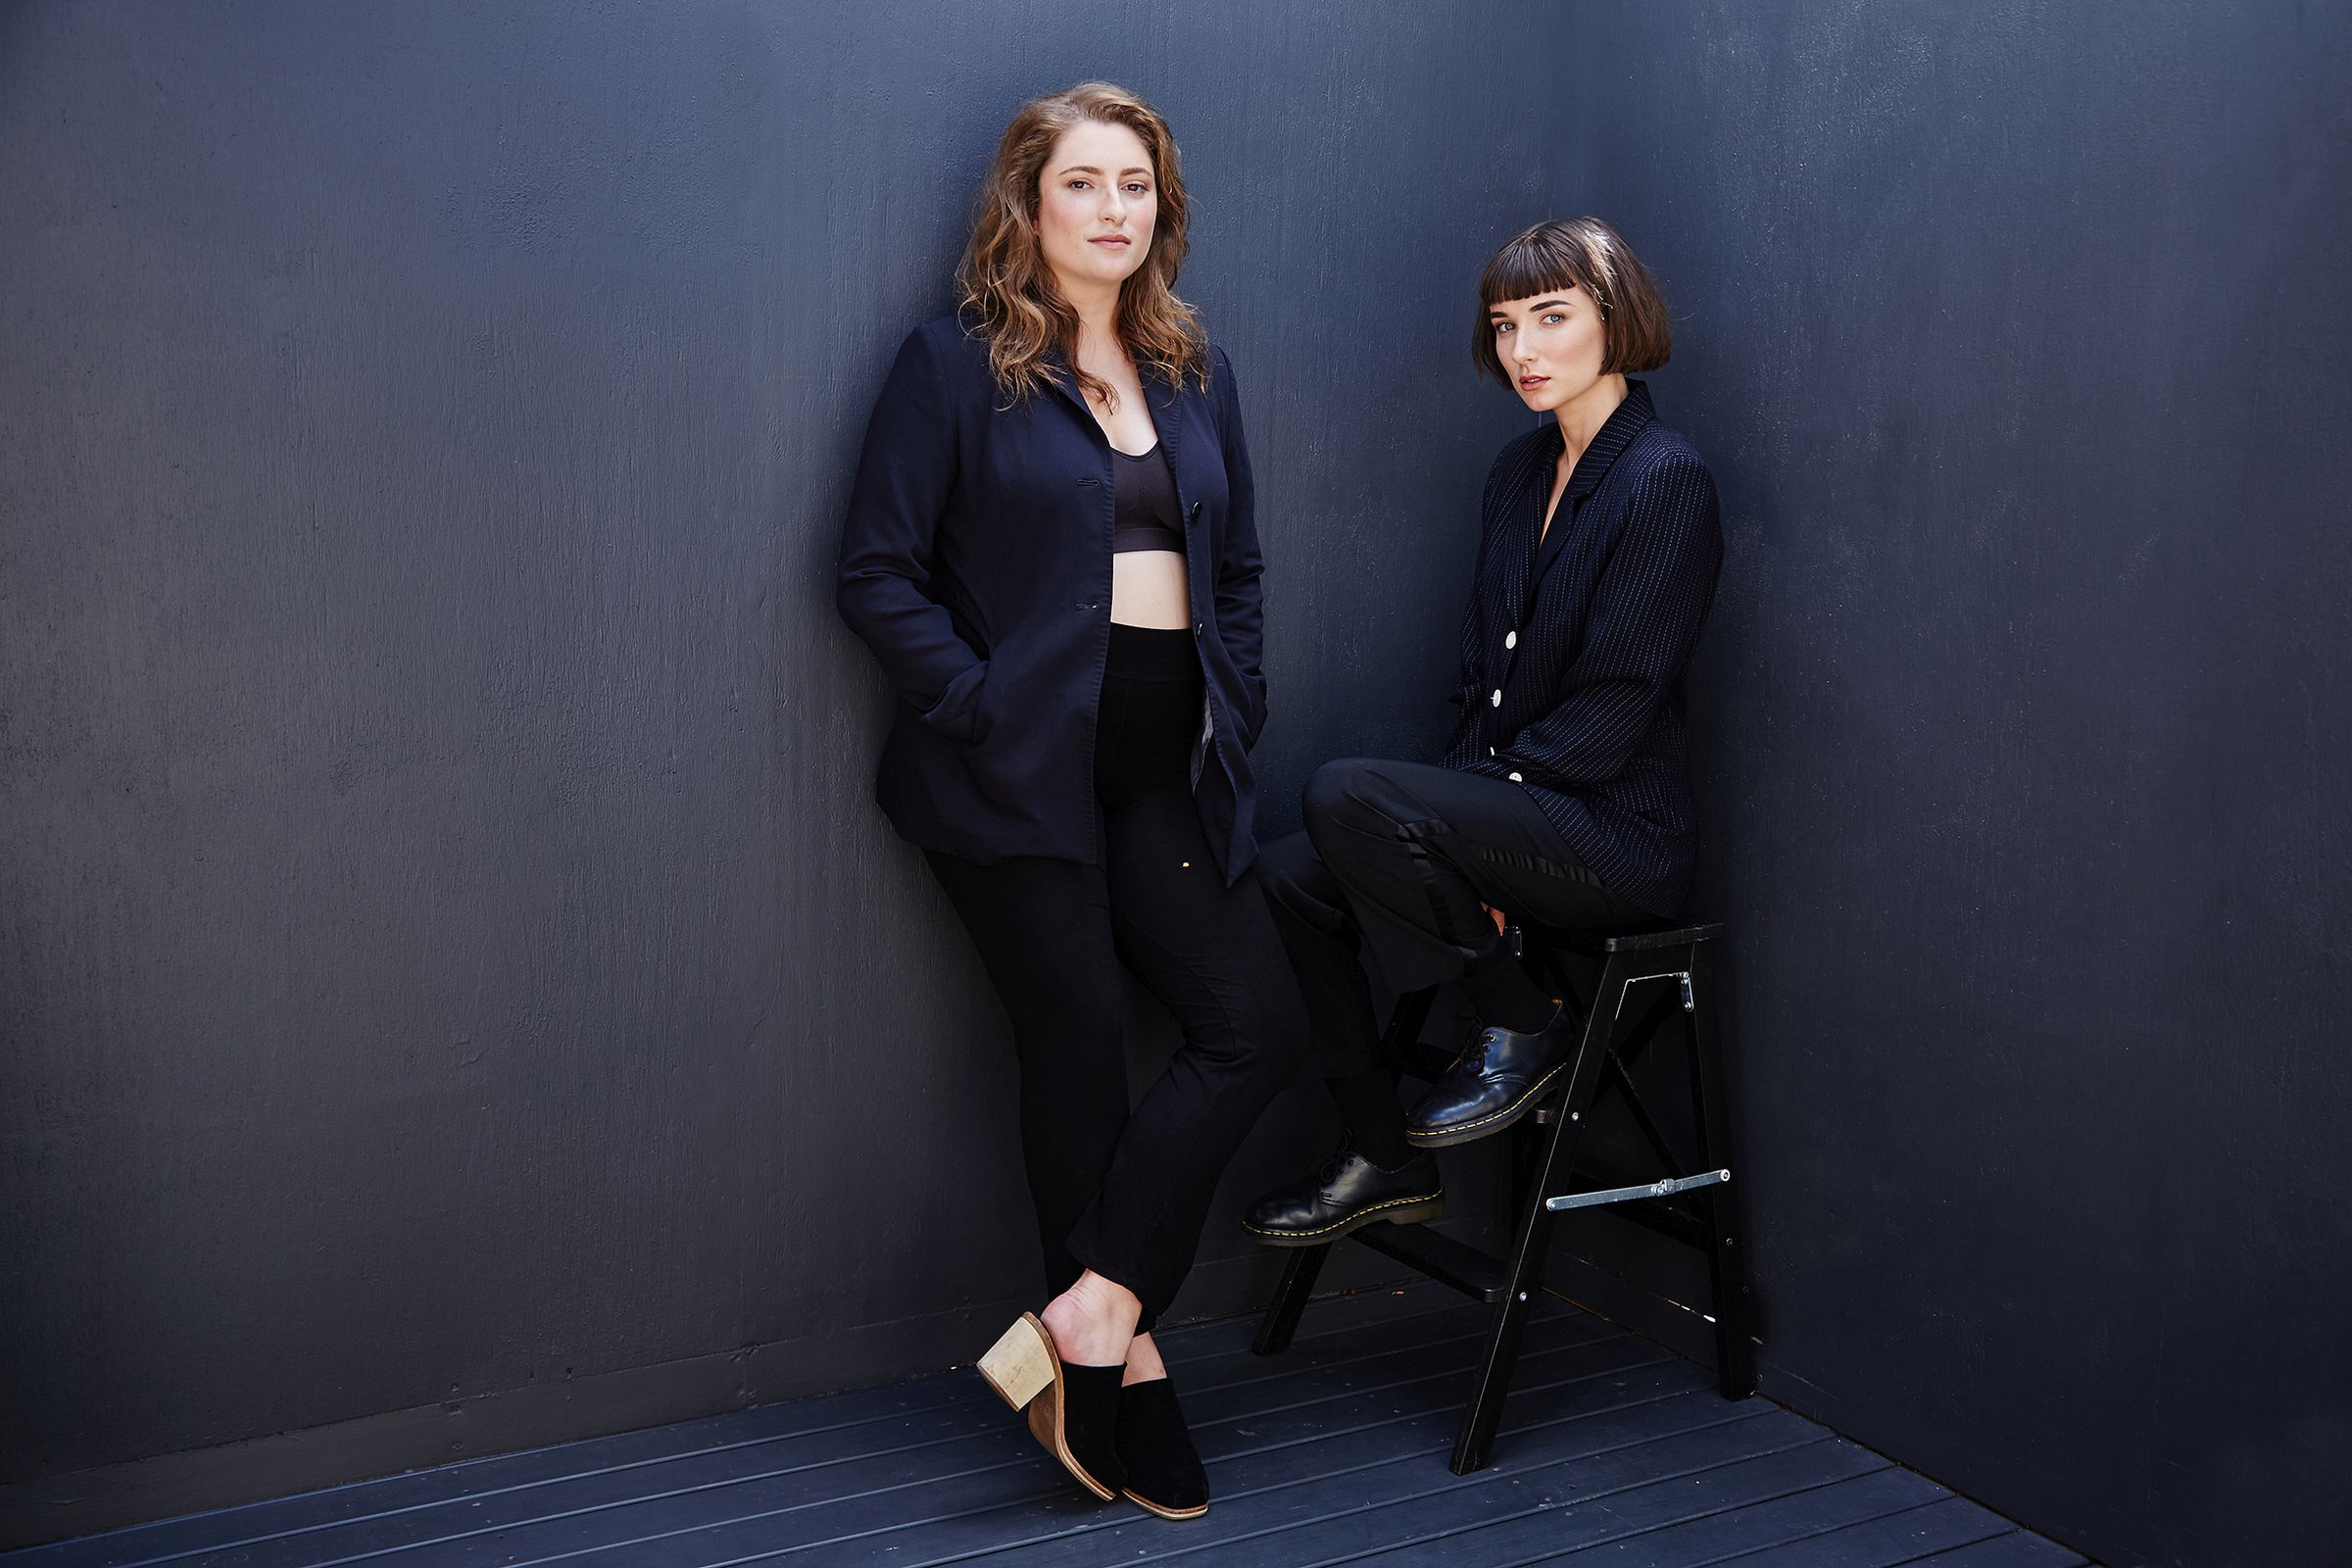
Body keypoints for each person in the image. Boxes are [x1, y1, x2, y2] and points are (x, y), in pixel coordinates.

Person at [834, 81, 1301, 1520]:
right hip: (1009, 776)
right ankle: (1132, 1360)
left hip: (1166, 769)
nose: (1114, 210)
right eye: (1085, 184)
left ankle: (1091, 1314)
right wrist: (981, 707)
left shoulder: (1192, 368)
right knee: (1081, 1047)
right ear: (1027, 206)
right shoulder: (954, 365)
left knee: (1252, 1025)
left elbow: (1237, 570)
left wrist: (1240, 692)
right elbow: (875, 574)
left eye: (1138, 187)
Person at [1243, 218, 1723, 1249]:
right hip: (1521, 809)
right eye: (1506, 326)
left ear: (1616, 320)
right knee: (1290, 871)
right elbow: (1483, 684)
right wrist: (1464, 841)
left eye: (1552, 318)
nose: (1523, 351)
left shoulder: (1664, 479)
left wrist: (1477, 840)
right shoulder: (1517, 473)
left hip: (1616, 838)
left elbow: (1614, 707)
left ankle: (1518, 1018)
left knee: (1347, 792)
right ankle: (1382, 1151)